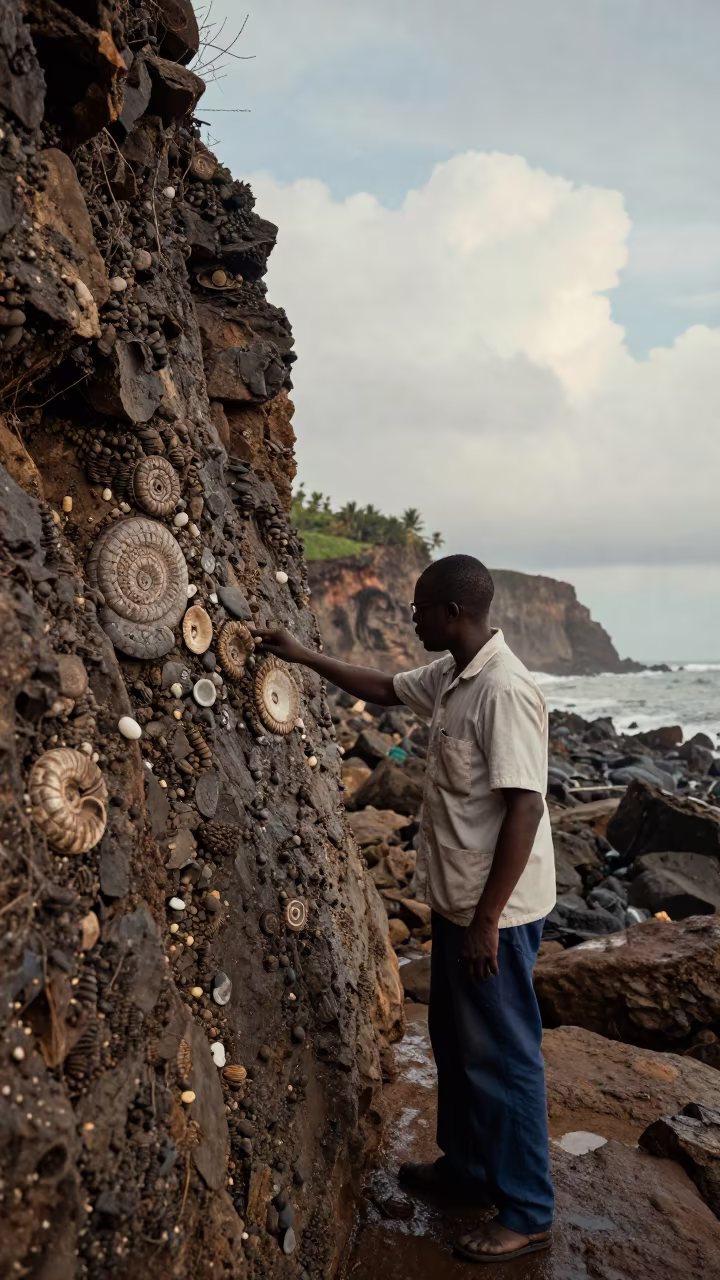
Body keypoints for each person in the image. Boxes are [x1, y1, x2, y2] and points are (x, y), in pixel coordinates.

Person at [256, 553, 555, 1264]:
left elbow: (525, 807)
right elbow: (385, 688)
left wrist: (486, 922)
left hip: (497, 917)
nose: (409, 617)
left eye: (419, 608)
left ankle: (528, 1209)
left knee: (505, 1060)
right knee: (456, 1046)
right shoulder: (454, 675)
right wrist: (303, 656)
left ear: (453, 613)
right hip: (458, 905)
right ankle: (469, 1171)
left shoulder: (503, 692)